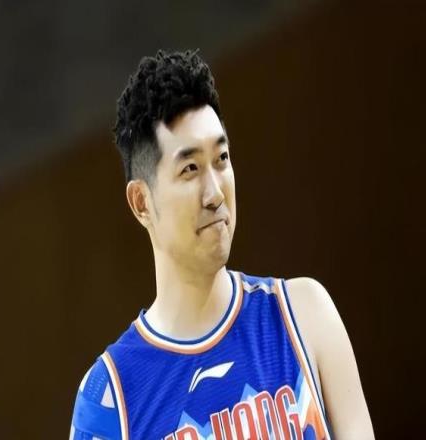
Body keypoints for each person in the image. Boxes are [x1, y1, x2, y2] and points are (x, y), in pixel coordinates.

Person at [69, 49, 374, 440]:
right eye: (190, 169)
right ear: (142, 202)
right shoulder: (110, 396)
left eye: (222, 158)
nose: (214, 193)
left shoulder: (304, 315)